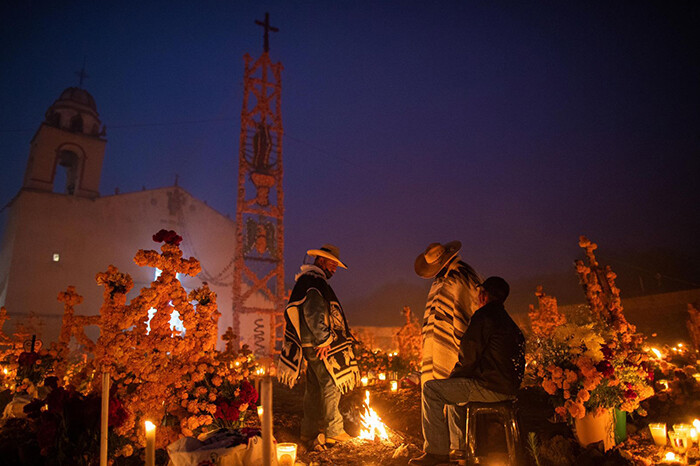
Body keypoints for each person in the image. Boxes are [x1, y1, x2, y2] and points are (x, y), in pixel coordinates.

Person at [409, 276, 526, 466]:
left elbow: (468, 354)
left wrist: (453, 378)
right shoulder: (509, 323)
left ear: (483, 295)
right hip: (507, 387)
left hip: (490, 386)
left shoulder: (484, 316)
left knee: (432, 389)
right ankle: (460, 450)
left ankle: (436, 451)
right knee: (454, 391)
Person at [277, 244, 360, 446]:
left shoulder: (308, 281)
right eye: (332, 264)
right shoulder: (314, 282)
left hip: (309, 344)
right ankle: (334, 430)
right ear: (321, 261)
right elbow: (313, 313)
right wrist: (324, 340)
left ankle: (308, 430)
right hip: (318, 344)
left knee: (314, 389)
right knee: (331, 382)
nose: (334, 269)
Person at [415, 241, 480, 451]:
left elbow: (466, 314)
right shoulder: (441, 279)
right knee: (438, 392)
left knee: (453, 394)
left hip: (456, 348)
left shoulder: (460, 276)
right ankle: (447, 447)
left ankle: (456, 448)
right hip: (438, 348)